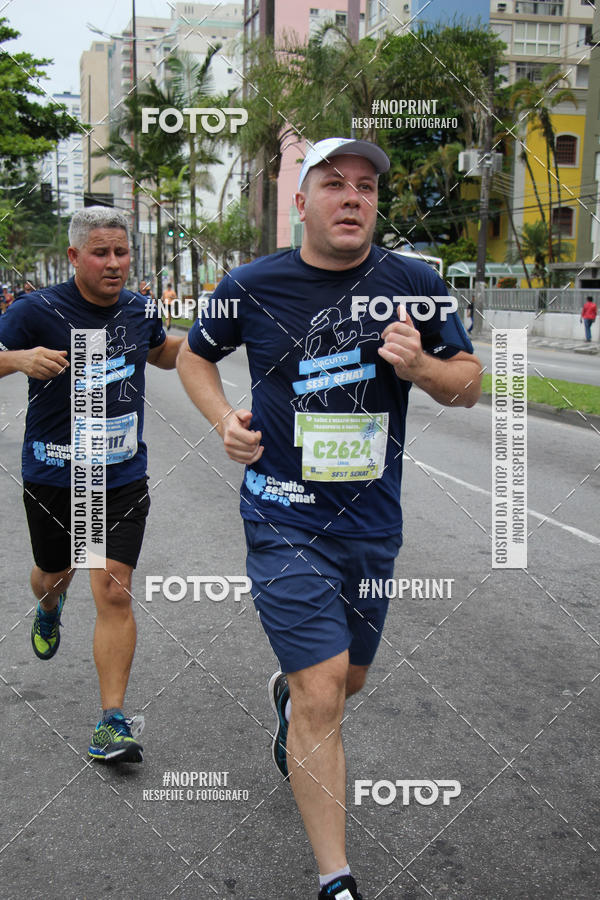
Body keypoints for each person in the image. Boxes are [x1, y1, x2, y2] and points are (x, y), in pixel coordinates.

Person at [177, 137, 482, 900]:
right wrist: (223, 420)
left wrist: (420, 366)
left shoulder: (414, 284)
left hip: (372, 523)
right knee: (324, 695)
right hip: (282, 516)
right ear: (301, 202)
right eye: (334, 184)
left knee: (348, 681)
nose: (353, 197)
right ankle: (335, 880)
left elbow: (469, 384)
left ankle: (289, 700)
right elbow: (193, 355)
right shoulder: (251, 284)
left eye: (366, 187)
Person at [0, 206, 183, 763]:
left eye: (121, 252)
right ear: (75, 256)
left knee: (113, 589)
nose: (114, 263)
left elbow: (161, 352)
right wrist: (18, 358)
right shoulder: (35, 309)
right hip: (55, 473)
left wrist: (211, 339)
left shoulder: (140, 309)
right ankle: (50, 605)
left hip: (120, 474)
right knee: (54, 574)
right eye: (100, 253)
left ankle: (112, 721)